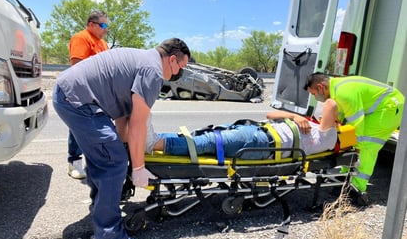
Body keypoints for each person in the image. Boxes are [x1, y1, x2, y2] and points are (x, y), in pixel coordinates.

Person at [52, 38, 191, 239]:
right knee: (113, 162)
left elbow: (124, 119)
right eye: (181, 68)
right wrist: (137, 168)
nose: (178, 75)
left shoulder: (143, 60)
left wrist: (123, 149)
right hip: (78, 100)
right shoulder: (153, 71)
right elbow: (138, 125)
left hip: (70, 94)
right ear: (172, 59)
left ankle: (102, 208)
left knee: (108, 155)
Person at [303, 72, 404, 202]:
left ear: (320, 87)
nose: (315, 97)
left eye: (314, 94)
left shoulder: (343, 93)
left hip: (390, 107)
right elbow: (342, 116)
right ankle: (345, 177)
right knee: (350, 141)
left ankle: (357, 188)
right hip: (383, 106)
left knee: (367, 145)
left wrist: (357, 146)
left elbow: (357, 123)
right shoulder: (337, 89)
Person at [145, 99, 339, 159]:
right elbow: (271, 115)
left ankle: (151, 143)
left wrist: (340, 118)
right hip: (256, 131)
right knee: (199, 135)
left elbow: (330, 103)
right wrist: (295, 116)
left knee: (207, 142)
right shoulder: (311, 124)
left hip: (262, 143)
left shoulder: (328, 138)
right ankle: (145, 138)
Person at [67, 10, 109, 179]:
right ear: (92, 24)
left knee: (97, 129)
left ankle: (94, 162)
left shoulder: (102, 43)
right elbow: (77, 66)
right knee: (79, 127)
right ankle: (74, 163)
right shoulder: (82, 38)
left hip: (99, 93)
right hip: (83, 91)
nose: (106, 29)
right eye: (103, 25)